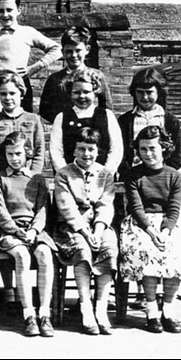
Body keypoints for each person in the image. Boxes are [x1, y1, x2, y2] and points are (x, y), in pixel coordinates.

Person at [53, 127, 118, 336]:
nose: (86, 154)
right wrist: (84, 231)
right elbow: (66, 206)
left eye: (91, 149)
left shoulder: (105, 174)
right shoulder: (64, 174)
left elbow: (105, 204)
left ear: (98, 151)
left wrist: (98, 231)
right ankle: (85, 307)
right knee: (82, 249)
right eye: (81, 149)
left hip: (98, 226)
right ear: (74, 150)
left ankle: (101, 308)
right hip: (71, 227)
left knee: (109, 245)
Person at [119, 126, 181, 334]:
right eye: (143, 149)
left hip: (167, 223)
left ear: (164, 148)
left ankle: (169, 310)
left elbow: (174, 208)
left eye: (153, 148)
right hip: (140, 223)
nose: (148, 153)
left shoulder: (174, 176)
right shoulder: (133, 175)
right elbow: (136, 208)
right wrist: (152, 232)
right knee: (146, 250)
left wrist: (164, 232)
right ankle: (152, 310)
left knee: (175, 250)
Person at [0, 132, 55, 338]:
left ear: (27, 153)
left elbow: (42, 209)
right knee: (22, 255)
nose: (15, 158)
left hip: (34, 230)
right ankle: (28, 314)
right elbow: (0, 212)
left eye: (18, 153)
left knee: (45, 254)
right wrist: (17, 231)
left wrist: (34, 230)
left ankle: (44, 313)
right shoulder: (0, 179)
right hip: (10, 231)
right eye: (10, 154)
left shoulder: (37, 179)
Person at [49, 69, 123, 174]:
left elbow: (116, 148)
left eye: (87, 92)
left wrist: (105, 173)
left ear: (95, 92)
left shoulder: (107, 115)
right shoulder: (62, 117)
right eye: (76, 92)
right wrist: (66, 175)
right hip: (70, 178)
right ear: (70, 93)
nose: (82, 96)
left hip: (101, 178)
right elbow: (56, 151)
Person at [39, 26, 113, 124]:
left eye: (78, 50)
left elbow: (107, 107)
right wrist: (62, 121)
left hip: (91, 129)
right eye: (69, 51)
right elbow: (45, 110)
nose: (74, 55)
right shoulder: (55, 79)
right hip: (65, 129)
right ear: (63, 52)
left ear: (87, 49)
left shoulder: (97, 75)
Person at [117, 67, 181, 177]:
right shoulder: (125, 120)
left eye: (149, 92)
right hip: (133, 177)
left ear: (159, 92)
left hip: (162, 177)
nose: (145, 97)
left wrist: (163, 173)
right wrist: (128, 172)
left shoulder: (171, 121)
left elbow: (177, 155)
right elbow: (119, 151)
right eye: (140, 92)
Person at [0, 73, 45, 175]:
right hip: (1, 176)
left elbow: (39, 151)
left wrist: (33, 173)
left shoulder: (33, 119)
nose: (7, 98)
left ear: (21, 94)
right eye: (3, 94)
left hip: (27, 175)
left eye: (12, 93)